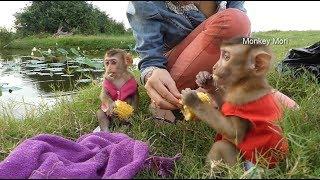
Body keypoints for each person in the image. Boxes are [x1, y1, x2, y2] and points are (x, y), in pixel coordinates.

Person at [126, 1, 295, 122]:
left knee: (236, 22)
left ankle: (216, 92)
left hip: (216, 69)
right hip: (174, 71)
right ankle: (170, 97)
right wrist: (152, 72)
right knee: (233, 22)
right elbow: (150, 55)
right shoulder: (145, 3)